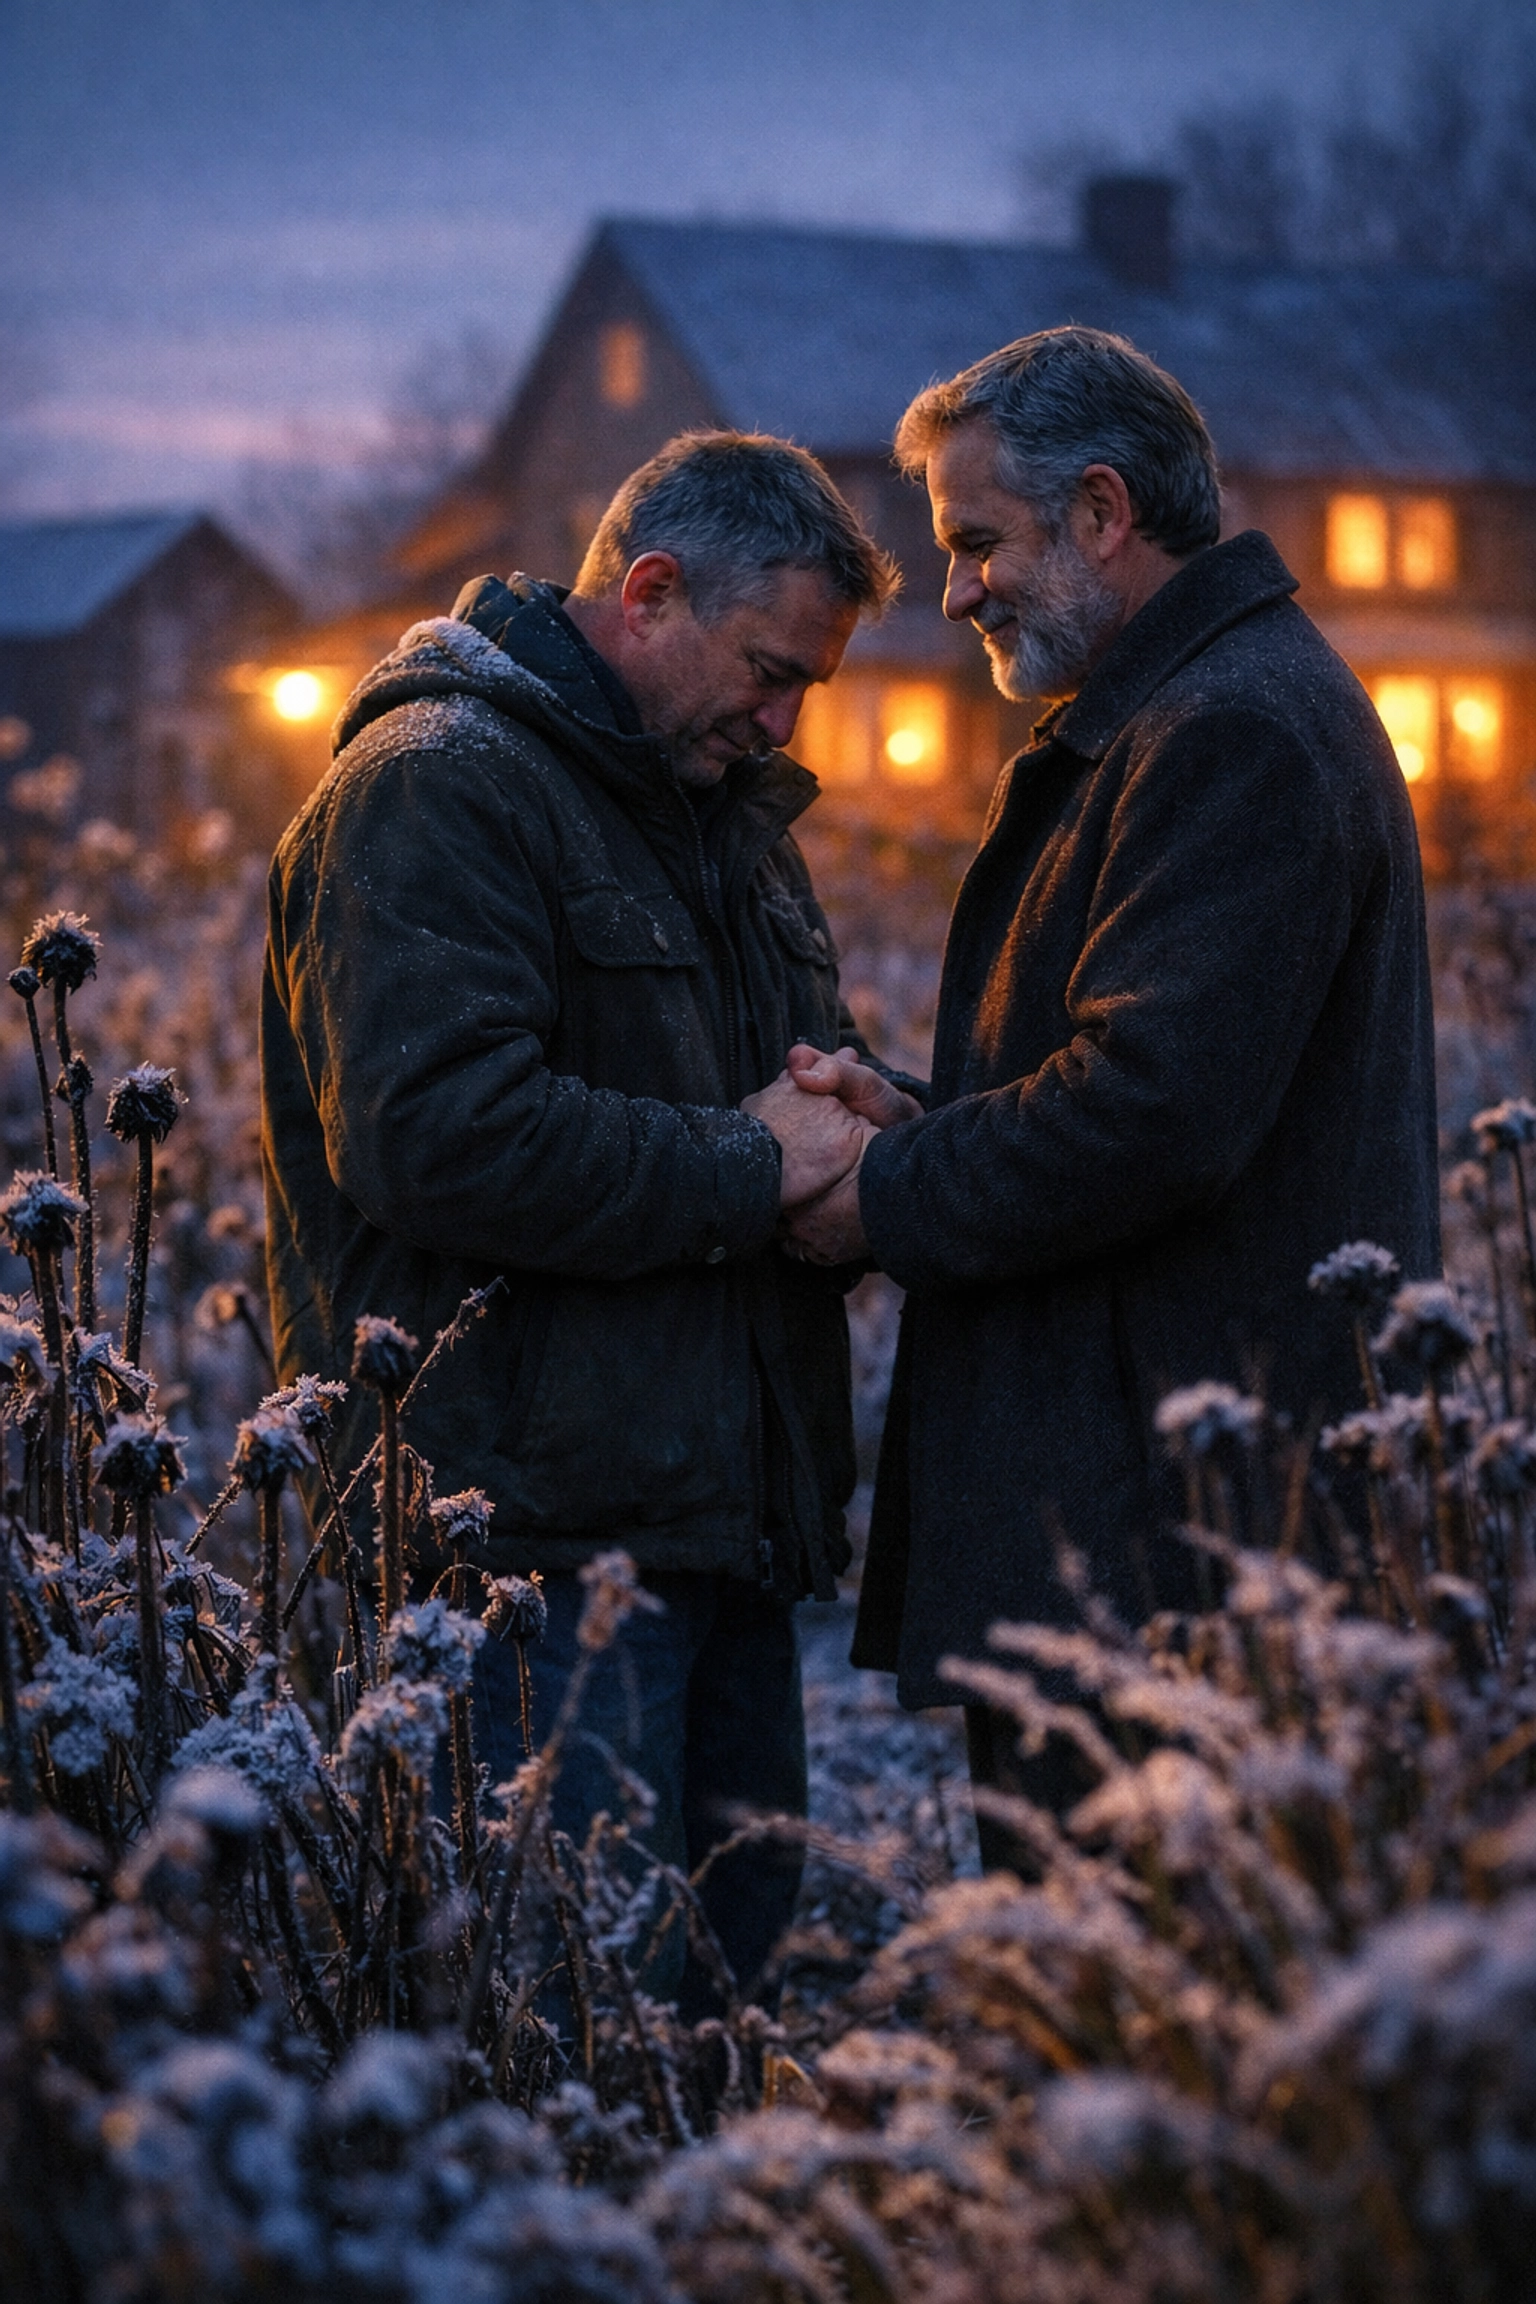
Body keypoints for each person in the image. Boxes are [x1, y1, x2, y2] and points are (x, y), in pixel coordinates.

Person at [769, 325, 1440, 1868]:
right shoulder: (1188, 714)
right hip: (1153, 1524)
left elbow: (1150, 1116)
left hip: (1178, 1547)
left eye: (977, 542)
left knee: (1145, 2021)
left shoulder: (1232, 733)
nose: (956, 593)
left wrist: (877, 1193)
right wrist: (916, 1125)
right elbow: (1137, 1088)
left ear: (1101, 513)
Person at [260, 429, 911, 2010]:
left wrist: (866, 1131)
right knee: (566, 2039)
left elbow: (746, 1101)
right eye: (770, 669)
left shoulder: (720, 815)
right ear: (650, 591)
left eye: (809, 686)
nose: (786, 715)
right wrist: (755, 1168)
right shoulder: (436, 791)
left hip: (717, 1531)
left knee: (725, 2030)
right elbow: (432, 1136)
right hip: (526, 1560)